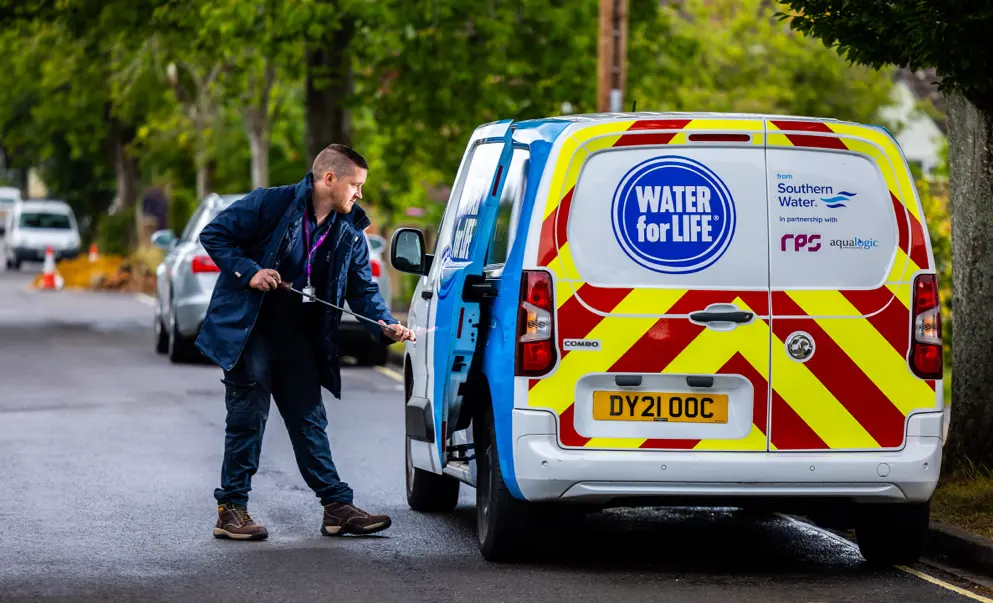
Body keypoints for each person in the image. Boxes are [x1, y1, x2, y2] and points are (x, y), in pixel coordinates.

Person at [194, 144, 415, 541]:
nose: (359, 194)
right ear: (329, 179)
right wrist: (250, 271)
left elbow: (362, 287)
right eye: (356, 185)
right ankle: (231, 511)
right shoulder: (270, 203)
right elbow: (213, 235)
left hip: (299, 338)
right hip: (252, 331)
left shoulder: (349, 229)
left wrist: (384, 323)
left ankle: (336, 508)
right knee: (247, 421)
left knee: (310, 422)